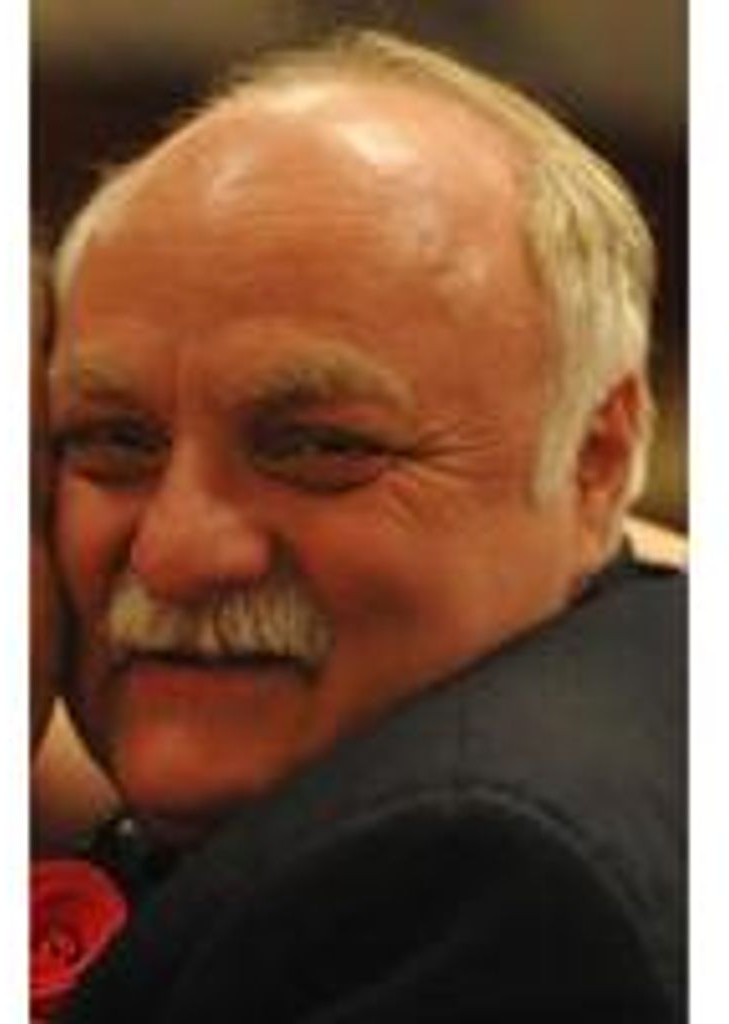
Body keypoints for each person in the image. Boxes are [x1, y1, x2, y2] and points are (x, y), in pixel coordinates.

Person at [44, 29, 686, 1021]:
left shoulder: (472, 882)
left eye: (316, 447)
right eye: (114, 440)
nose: (174, 555)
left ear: (594, 457)